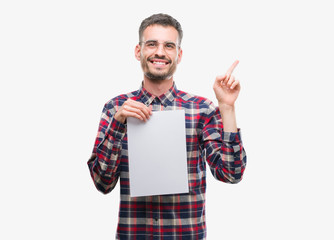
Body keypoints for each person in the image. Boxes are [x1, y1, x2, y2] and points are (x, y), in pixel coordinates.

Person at [87, 13, 247, 240]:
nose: (160, 52)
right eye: (151, 44)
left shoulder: (202, 109)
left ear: (179, 55)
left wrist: (227, 107)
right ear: (138, 51)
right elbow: (102, 183)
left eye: (169, 46)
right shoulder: (115, 108)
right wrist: (118, 123)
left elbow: (231, 174)